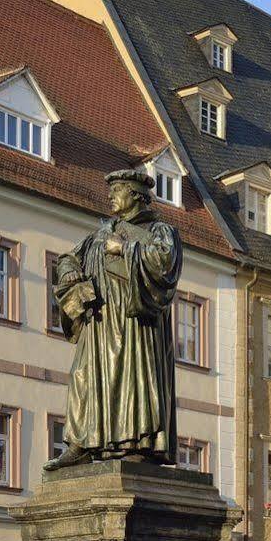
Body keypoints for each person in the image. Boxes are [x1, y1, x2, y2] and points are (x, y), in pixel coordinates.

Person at [49, 169, 182, 465]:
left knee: (131, 381)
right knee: (82, 377)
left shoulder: (159, 231)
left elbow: (165, 265)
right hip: (100, 323)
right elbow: (69, 257)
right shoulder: (100, 233)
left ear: (136, 195)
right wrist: (70, 269)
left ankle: (137, 444)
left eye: (117, 190)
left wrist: (125, 248)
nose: (110, 196)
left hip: (135, 323)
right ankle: (80, 444)